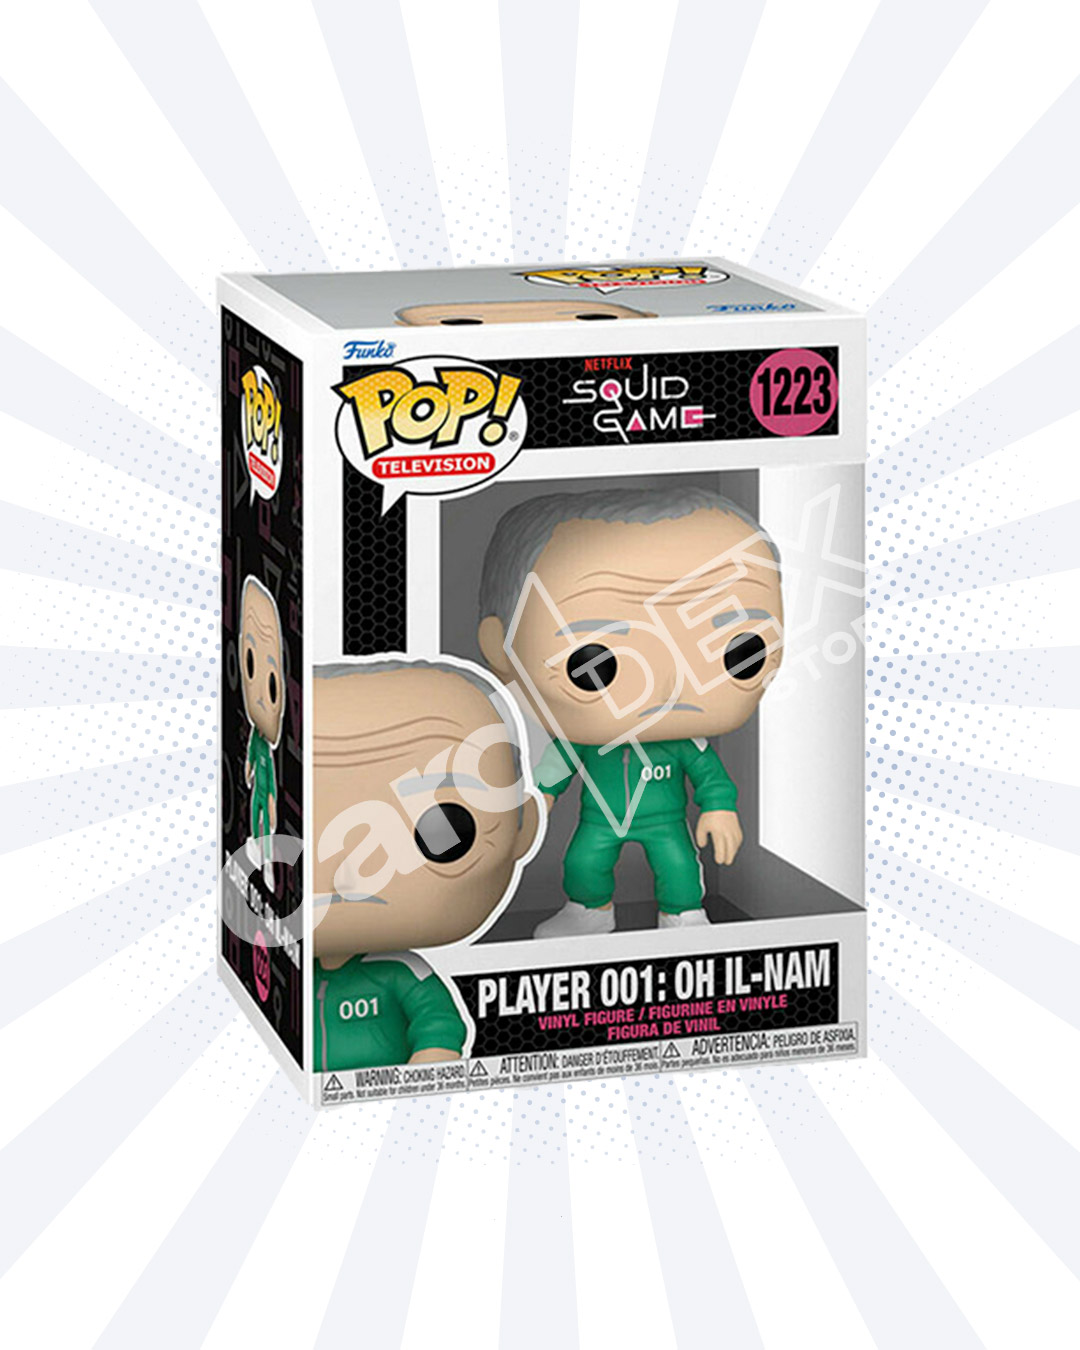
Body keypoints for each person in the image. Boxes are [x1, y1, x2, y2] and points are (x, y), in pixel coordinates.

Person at [477, 486, 783, 937]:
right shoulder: (583, 739)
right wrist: (536, 801)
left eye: (741, 653)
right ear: (503, 649)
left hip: (667, 820)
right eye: (593, 662)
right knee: (583, 862)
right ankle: (588, 911)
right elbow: (553, 770)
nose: (669, 686)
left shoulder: (684, 741)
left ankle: (684, 915)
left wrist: (720, 809)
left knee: (679, 866)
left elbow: (711, 777)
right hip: (600, 819)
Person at [311, 659, 540, 1070]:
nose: (348, 875)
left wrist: (430, 1063)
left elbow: (438, 1023)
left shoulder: (399, 971)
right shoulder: (292, 977)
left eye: (445, 828)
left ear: (524, 830)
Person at [240, 576, 284, 888]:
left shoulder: (267, 748)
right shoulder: (258, 739)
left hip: (265, 791)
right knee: (256, 823)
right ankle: (257, 854)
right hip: (257, 789)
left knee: (266, 823)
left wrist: (271, 803)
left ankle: (267, 864)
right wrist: (247, 770)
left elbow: (270, 784)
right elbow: (250, 757)